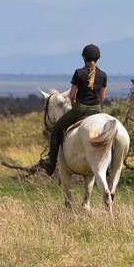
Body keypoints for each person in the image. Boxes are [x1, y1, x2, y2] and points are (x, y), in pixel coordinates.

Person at [39, 44, 107, 175]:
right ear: (98, 58)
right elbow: (102, 97)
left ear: (84, 58)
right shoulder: (103, 75)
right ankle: (108, 165)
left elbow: (71, 95)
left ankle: (50, 163)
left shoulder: (79, 73)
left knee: (57, 129)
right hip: (97, 111)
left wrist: (75, 104)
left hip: (80, 110)